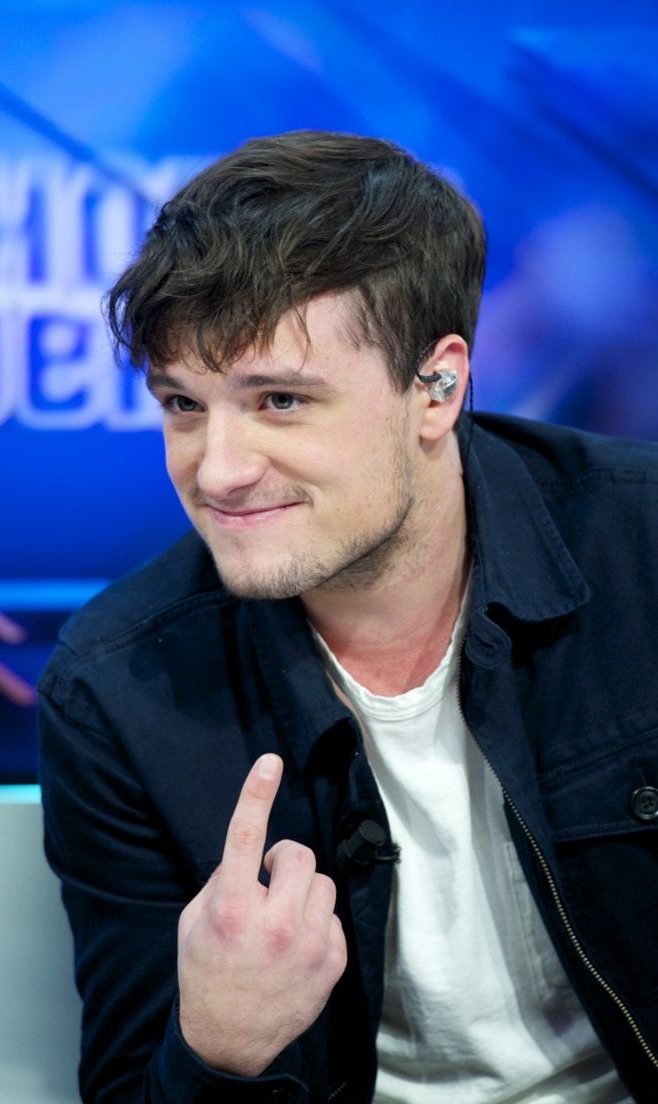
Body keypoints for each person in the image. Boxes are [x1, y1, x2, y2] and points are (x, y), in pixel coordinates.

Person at [38, 131, 658, 1104]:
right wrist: (217, 1053)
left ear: (437, 386)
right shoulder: (115, 691)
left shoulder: (642, 551)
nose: (216, 469)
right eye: (182, 405)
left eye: (279, 400)